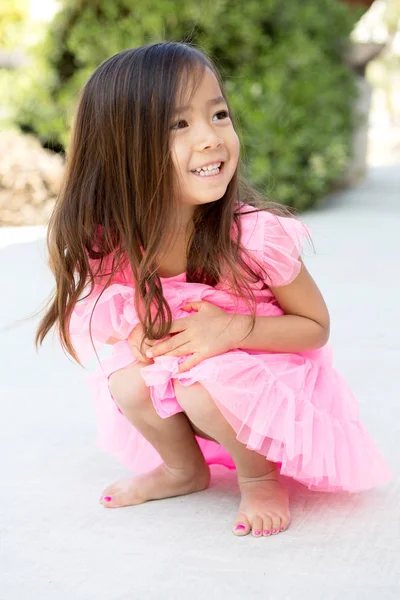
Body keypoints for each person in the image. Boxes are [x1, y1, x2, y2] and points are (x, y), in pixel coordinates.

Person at [35, 41, 392, 538]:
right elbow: (110, 313)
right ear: (121, 149)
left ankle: (261, 475)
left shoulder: (253, 236)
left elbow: (315, 328)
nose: (211, 138)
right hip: (192, 369)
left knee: (200, 385)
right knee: (126, 379)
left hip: (265, 375)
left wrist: (233, 328)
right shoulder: (116, 241)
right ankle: (184, 469)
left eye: (219, 114)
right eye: (178, 124)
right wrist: (137, 336)